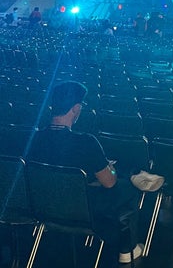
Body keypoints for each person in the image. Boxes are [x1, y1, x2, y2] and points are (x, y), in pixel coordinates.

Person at [27, 81, 143, 265]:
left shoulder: (33, 139)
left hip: (42, 207)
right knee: (126, 189)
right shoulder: (87, 142)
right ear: (75, 108)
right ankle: (126, 248)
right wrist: (110, 167)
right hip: (81, 211)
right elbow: (109, 182)